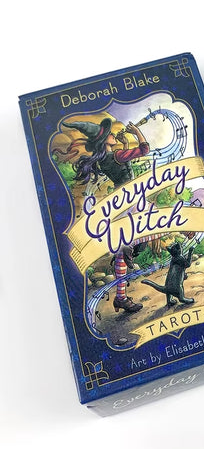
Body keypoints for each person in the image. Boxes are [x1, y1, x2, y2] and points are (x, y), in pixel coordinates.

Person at [61, 117, 153, 313]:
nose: (113, 135)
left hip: (123, 202)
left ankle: (121, 296)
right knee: (152, 228)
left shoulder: (105, 159)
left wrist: (125, 143)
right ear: (104, 141)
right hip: (130, 202)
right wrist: (136, 132)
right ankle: (128, 253)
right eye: (110, 134)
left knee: (124, 252)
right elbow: (144, 149)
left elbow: (124, 167)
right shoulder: (117, 155)